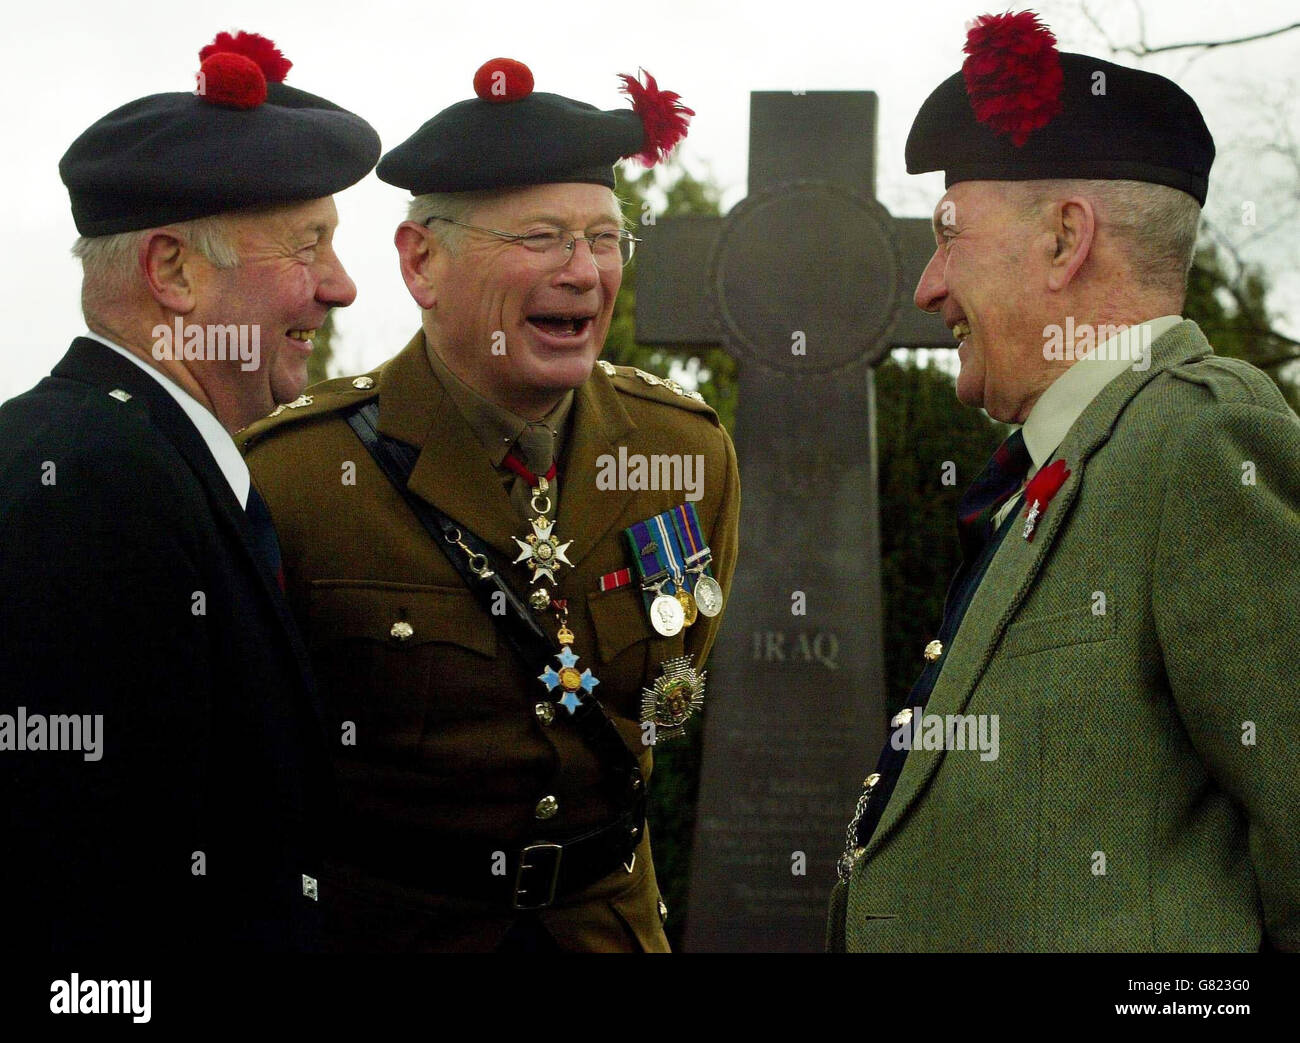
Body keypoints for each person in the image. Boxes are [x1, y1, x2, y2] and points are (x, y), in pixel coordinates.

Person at [239, 58, 740, 952]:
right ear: (422, 260)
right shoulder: (297, 475)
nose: (585, 272)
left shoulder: (685, 454)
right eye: (543, 237)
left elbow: (669, 694)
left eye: (605, 237)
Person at [829, 11, 1300, 952]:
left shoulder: (1204, 438)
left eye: (949, 237)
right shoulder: (1081, 455)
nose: (925, 286)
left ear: (1063, 239)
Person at [0, 30, 380, 952]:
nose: (342, 286)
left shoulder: (136, 453)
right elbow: (72, 883)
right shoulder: (92, 484)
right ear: (172, 271)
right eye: (309, 245)